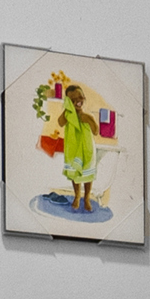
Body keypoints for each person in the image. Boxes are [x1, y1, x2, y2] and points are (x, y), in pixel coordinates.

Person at [57, 84, 100, 214]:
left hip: (87, 149)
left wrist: (90, 120)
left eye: (80, 97)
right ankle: (77, 196)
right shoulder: (68, 116)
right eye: (73, 99)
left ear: (84, 98)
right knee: (74, 174)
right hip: (73, 149)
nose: (78, 101)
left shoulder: (86, 117)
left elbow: (96, 131)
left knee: (87, 174)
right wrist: (67, 109)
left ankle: (86, 198)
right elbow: (60, 122)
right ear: (68, 101)